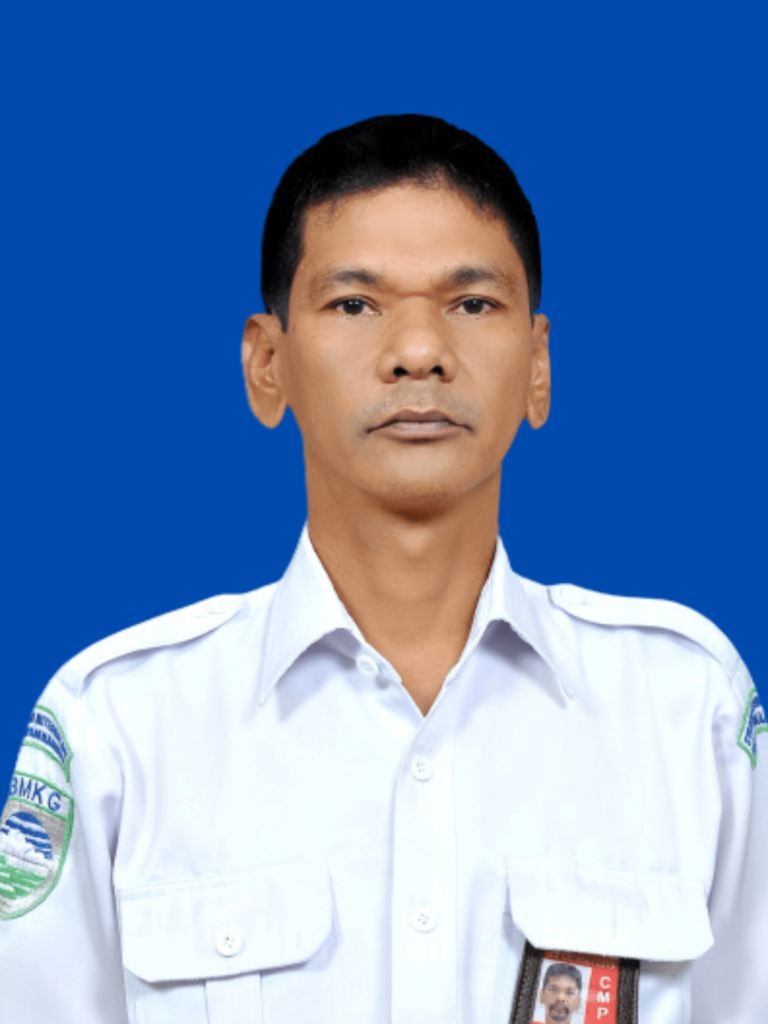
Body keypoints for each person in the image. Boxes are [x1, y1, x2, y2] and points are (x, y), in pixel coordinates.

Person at [0, 114, 765, 1024]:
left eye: (471, 303)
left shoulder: (685, 708)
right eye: (355, 305)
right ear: (267, 365)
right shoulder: (120, 725)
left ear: (539, 366)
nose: (418, 352)